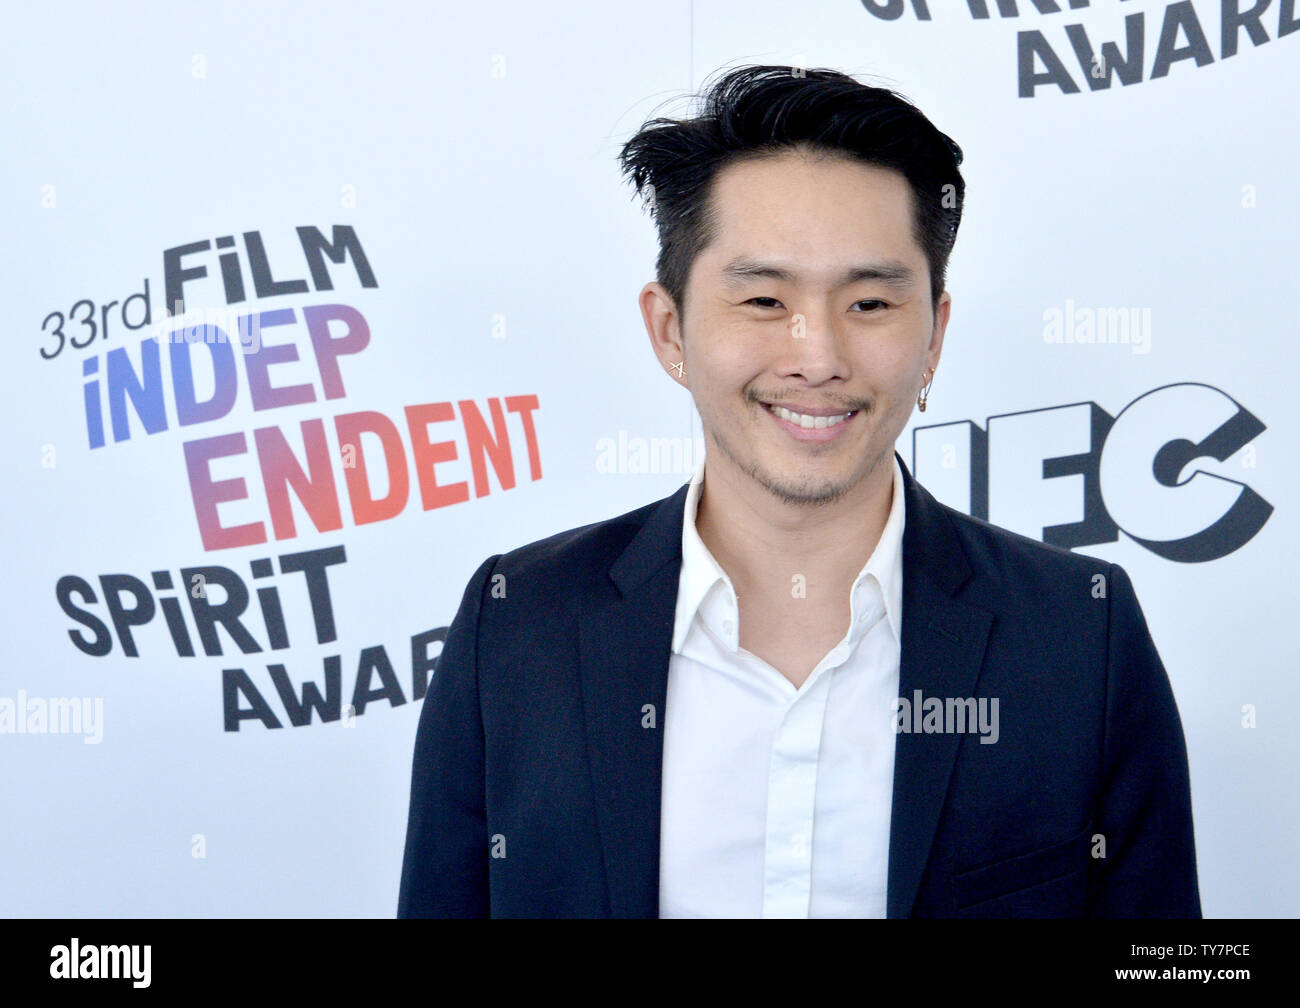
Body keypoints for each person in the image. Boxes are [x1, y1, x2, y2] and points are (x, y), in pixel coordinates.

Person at [397, 64, 1201, 918]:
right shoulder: (519, 624)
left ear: (933, 337)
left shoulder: (1079, 632)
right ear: (670, 329)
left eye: (869, 304)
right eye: (764, 298)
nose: (816, 355)